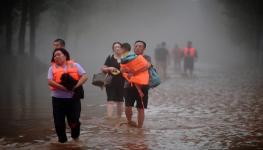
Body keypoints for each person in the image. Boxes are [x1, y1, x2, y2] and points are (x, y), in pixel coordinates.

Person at [47, 48, 88, 143]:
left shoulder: (75, 65)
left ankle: (75, 138)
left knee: (74, 121)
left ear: (65, 55)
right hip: (57, 100)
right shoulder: (51, 68)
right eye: (55, 55)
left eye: (59, 54)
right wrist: (64, 88)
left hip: (73, 99)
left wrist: (75, 86)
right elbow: (50, 82)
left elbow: (85, 76)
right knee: (58, 123)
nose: (56, 56)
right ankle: (62, 142)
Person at [121, 41, 151, 128]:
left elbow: (147, 66)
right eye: (136, 46)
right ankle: (129, 121)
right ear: (133, 48)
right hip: (129, 85)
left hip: (143, 86)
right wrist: (126, 71)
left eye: (140, 46)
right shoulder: (128, 57)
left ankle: (139, 128)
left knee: (140, 108)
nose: (137, 47)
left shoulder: (146, 57)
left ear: (144, 49)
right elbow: (122, 69)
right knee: (128, 106)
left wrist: (133, 72)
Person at [101, 42, 125, 126]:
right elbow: (103, 68)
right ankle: (109, 118)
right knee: (110, 100)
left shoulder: (125, 58)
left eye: (119, 47)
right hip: (110, 81)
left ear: (122, 48)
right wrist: (109, 68)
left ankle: (119, 118)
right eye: (115, 47)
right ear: (113, 49)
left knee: (120, 101)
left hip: (122, 82)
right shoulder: (110, 57)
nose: (117, 48)